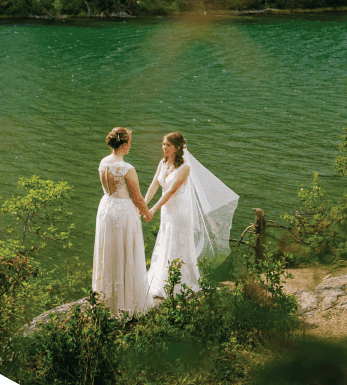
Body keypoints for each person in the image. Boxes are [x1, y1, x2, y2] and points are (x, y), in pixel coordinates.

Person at [145, 132, 239, 298]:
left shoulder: (185, 168)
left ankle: (178, 283)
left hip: (179, 212)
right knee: (165, 241)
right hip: (167, 212)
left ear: (178, 148)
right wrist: (143, 205)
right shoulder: (163, 163)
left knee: (177, 244)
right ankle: (162, 279)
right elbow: (154, 184)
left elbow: (171, 192)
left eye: (168, 145)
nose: (163, 148)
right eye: (163, 144)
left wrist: (153, 210)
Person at [92, 127, 153, 317]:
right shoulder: (127, 168)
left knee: (108, 250)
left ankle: (106, 299)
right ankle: (125, 303)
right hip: (123, 212)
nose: (130, 147)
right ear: (124, 145)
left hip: (106, 208)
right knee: (126, 251)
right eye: (130, 143)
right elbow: (137, 198)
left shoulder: (103, 162)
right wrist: (147, 213)